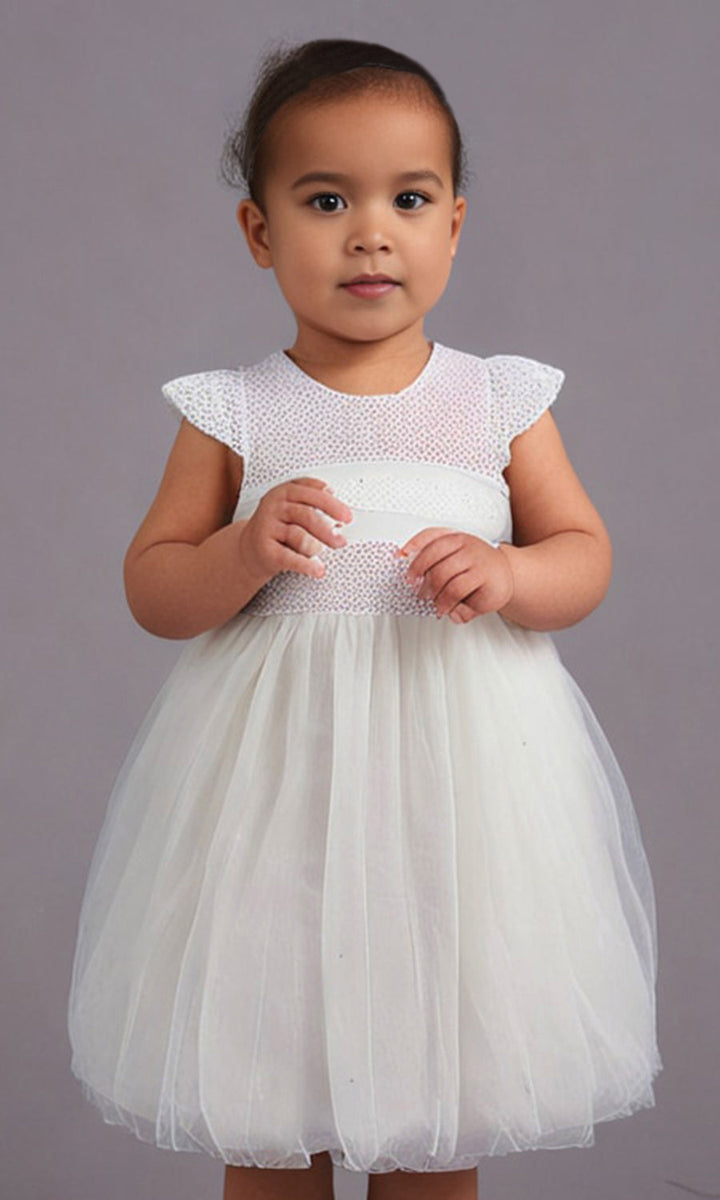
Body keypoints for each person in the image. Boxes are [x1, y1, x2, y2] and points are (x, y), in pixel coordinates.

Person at [67, 36, 662, 1200]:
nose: (371, 234)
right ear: (259, 232)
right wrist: (240, 550)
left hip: (458, 805)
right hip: (274, 802)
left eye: (410, 199)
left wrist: (511, 577)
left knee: (439, 1098)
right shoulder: (236, 413)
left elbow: (584, 556)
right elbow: (153, 586)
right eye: (327, 200)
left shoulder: (497, 401)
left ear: (456, 225)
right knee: (268, 1093)